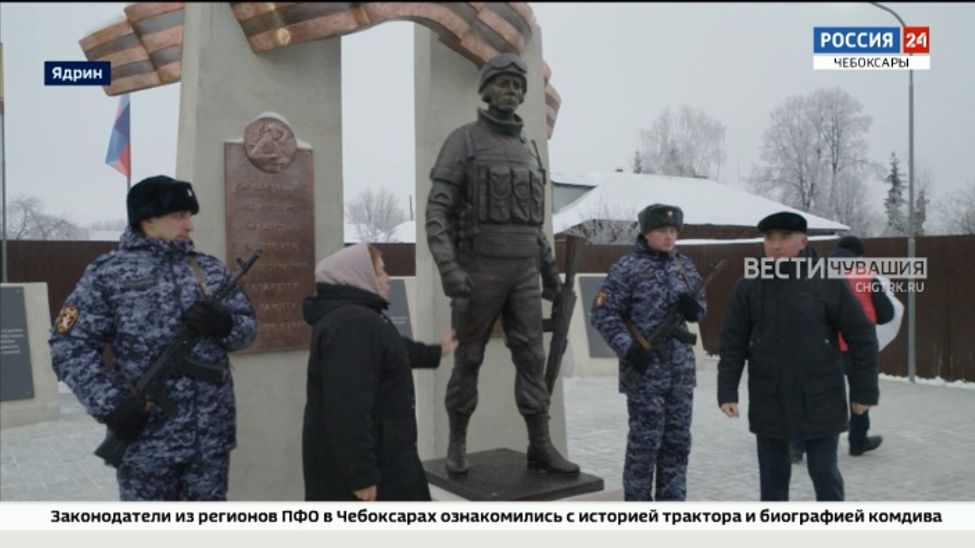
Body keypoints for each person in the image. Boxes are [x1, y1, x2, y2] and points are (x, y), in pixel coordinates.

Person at [49, 175, 257, 501]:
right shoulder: (108, 274)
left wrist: (225, 325)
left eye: (190, 215)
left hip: (209, 445)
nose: (190, 225)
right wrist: (111, 405)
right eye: (179, 216)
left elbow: (247, 330)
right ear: (148, 220)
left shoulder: (210, 271)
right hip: (147, 444)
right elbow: (69, 346)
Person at [425, 53, 578, 476]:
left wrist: (550, 277)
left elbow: (534, 224)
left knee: (531, 358)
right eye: (503, 83)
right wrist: (450, 270)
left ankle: (540, 444)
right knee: (468, 360)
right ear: (487, 89)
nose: (511, 90)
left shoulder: (529, 148)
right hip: (478, 272)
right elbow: (436, 214)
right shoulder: (464, 141)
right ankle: (457, 442)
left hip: (524, 273)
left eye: (517, 84)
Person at [718, 212, 879, 501]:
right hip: (770, 397)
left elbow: (862, 336)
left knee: (823, 472)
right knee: (773, 479)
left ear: (802, 241)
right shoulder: (750, 286)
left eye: (784, 238)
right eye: (769, 238)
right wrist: (727, 391)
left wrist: (864, 391)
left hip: (821, 397)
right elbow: (733, 342)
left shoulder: (826, 282)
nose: (776, 245)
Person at [302, 243, 458, 501]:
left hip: (383, 454)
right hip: (373, 468)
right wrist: (361, 474)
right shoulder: (352, 324)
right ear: (360, 277)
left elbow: (391, 351)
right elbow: (347, 405)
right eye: (381, 272)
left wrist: (436, 351)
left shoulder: (359, 318)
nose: (388, 279)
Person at [590, 204, 706, 501]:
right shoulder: (626, 269)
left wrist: (695, 310)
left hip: (680, 375)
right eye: (661, 231)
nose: (669, 237)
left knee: (677, 447)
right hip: (645, 374)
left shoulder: (685, 266)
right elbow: (603, 314)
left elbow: (700, 308)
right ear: (646, 233)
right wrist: (629, 350)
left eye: (673, 231)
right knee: (644, 450)